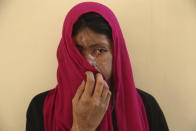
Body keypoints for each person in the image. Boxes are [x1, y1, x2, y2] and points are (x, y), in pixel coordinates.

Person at [26, 2, 169, 131]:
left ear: (117, 55)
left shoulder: (147, 106)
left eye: (100, 50)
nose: (89, 62)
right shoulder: (40, 108)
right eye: (77, 51)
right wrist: (82, 127)